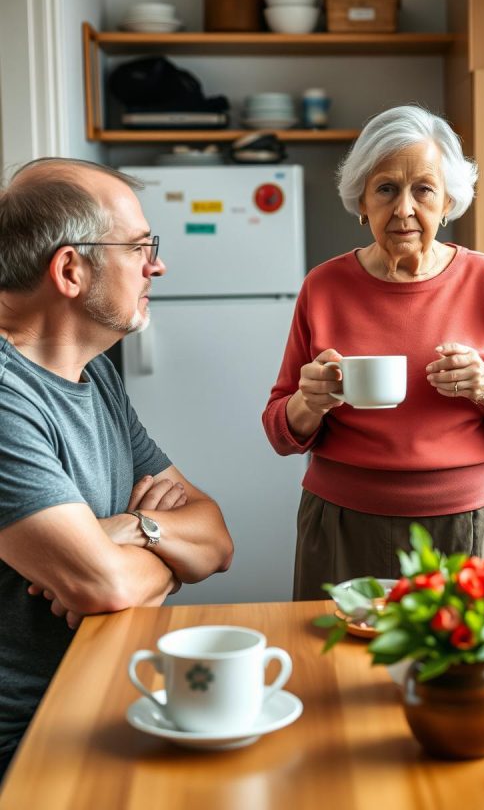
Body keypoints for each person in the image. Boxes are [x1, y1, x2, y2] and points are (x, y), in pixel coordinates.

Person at [263, 105, 484, 598]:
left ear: (448, 202)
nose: (403, 209)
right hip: (343, 524)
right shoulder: (324, 286)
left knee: (463, 671)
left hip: (466, 527)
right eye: (386, 189)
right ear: (362, 199)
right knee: (334, 670)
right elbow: (279, 429)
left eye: (423, 189)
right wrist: (308, 403)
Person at [0, 158, 234, 778]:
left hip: (100, 689)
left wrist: (131, 530)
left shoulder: (95, 373)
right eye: (137, 247)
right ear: (70, 270)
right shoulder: (3, 394)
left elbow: (215, 538)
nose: (157, 265)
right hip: (29, 738)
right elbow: (101, 588)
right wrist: (147, 563)